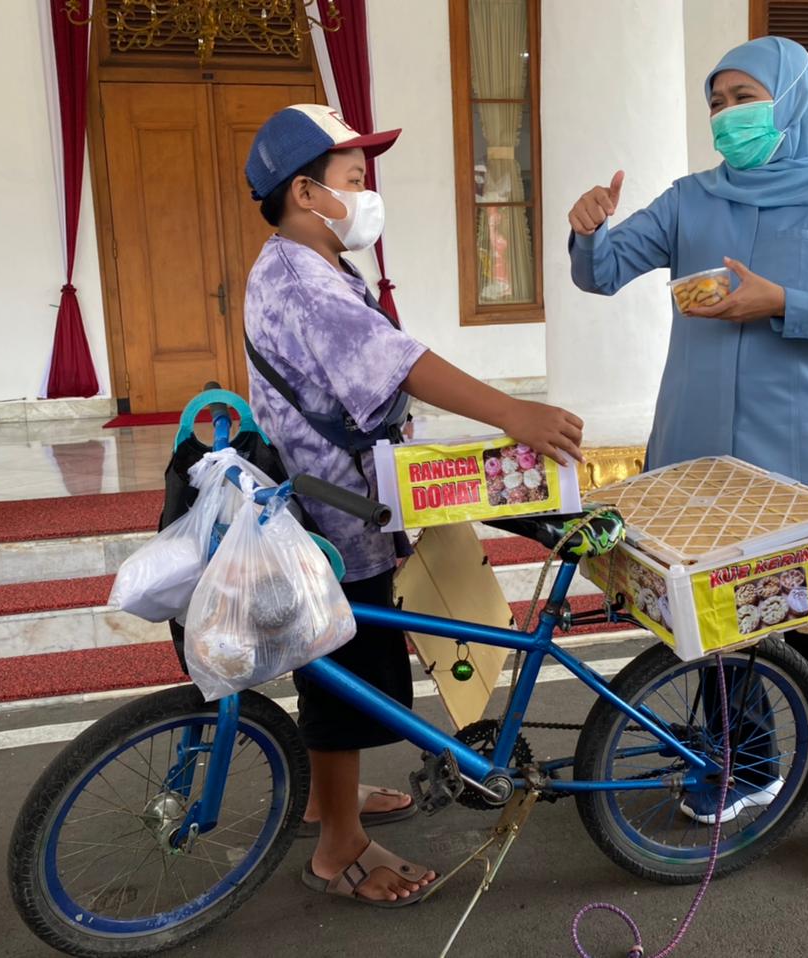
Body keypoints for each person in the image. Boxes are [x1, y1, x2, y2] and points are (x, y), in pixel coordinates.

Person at [567, 37, 808, 890]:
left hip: (800, 457)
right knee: (714, 632)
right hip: (694, 452)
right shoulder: (693, 200)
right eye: (716, 100)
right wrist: (589, 228)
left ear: (792, 99)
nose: (726, 115)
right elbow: (604, 273)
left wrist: (784, 303)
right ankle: (747, 765)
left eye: (743, 96)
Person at [243, 104, 584, 906]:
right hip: (338, 517)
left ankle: (337, 796)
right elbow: (397, 365)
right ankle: (339, 848)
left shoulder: (308, 260)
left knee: (343, 663)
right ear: (305, 191)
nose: (367, 193)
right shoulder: (302, 275)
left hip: (345, 502)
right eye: (354, 179)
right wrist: (515, 414)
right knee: (343, 676)